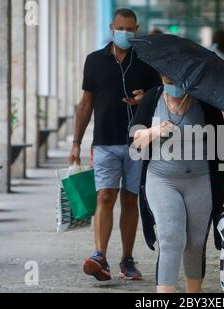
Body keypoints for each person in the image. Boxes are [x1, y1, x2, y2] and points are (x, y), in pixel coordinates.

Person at [69, 8, 161, 281]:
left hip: (138, 141)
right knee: (104, 196)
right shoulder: (94, 61)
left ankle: (127, 259)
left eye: (130, 29)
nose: (125, 33)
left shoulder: (146, 62)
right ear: (111, 27)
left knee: (131, 199)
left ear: (137, 29)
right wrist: (76, 142)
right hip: (105, 142)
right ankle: (100, 255)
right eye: (120, 28)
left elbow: (160, 99)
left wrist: (144, 98)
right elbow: (86, 104)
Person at [129, 75, 224, 293]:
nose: (172, 85)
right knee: (170, 239)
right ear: (161, 77)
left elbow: (222, 143)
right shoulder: (153, 97)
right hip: (161, 180)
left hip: (200, 181)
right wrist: (155, 131)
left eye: (176, 80)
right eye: (167, 79)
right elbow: (134, 140)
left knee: (195, 244)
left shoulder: (205, 101)